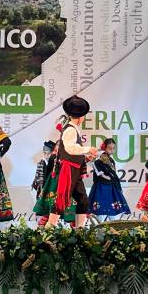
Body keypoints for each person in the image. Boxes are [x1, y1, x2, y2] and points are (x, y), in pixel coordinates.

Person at [47, 95, 98, 229]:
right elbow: (70, 148)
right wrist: (88, 149)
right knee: (61, 200)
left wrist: (85, 157)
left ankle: (80, 229)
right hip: (68, 170)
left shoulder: (72, 128)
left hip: (74, 169)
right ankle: (49, 228)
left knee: (83, 200)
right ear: (81, 117)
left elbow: (71, 151)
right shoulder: (70, 129)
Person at [89, 138, 130, 221]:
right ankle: (101, 227)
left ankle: (111, 227)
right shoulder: (100, 158)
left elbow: (113, 173)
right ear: (104, 147)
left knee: (111, 209)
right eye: (109, 148)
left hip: (110, 186)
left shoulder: (111, 160)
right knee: (101, 209)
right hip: (101, 186)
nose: (111, 150)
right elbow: (95, 165)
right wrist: (104, 176)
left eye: (113, 148)